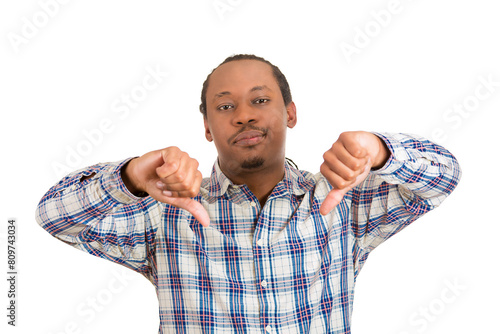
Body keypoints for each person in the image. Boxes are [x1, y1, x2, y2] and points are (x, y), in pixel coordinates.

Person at [36, 54, 462, 333]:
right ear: (207, 128)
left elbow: (443, 177)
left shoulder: (342, 201)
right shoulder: (163, 214)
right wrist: (128, 177)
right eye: (224, 107)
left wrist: (381, 151)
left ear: (290, 114)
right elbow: (54, 216)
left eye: (259, 100)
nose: (242, 116)